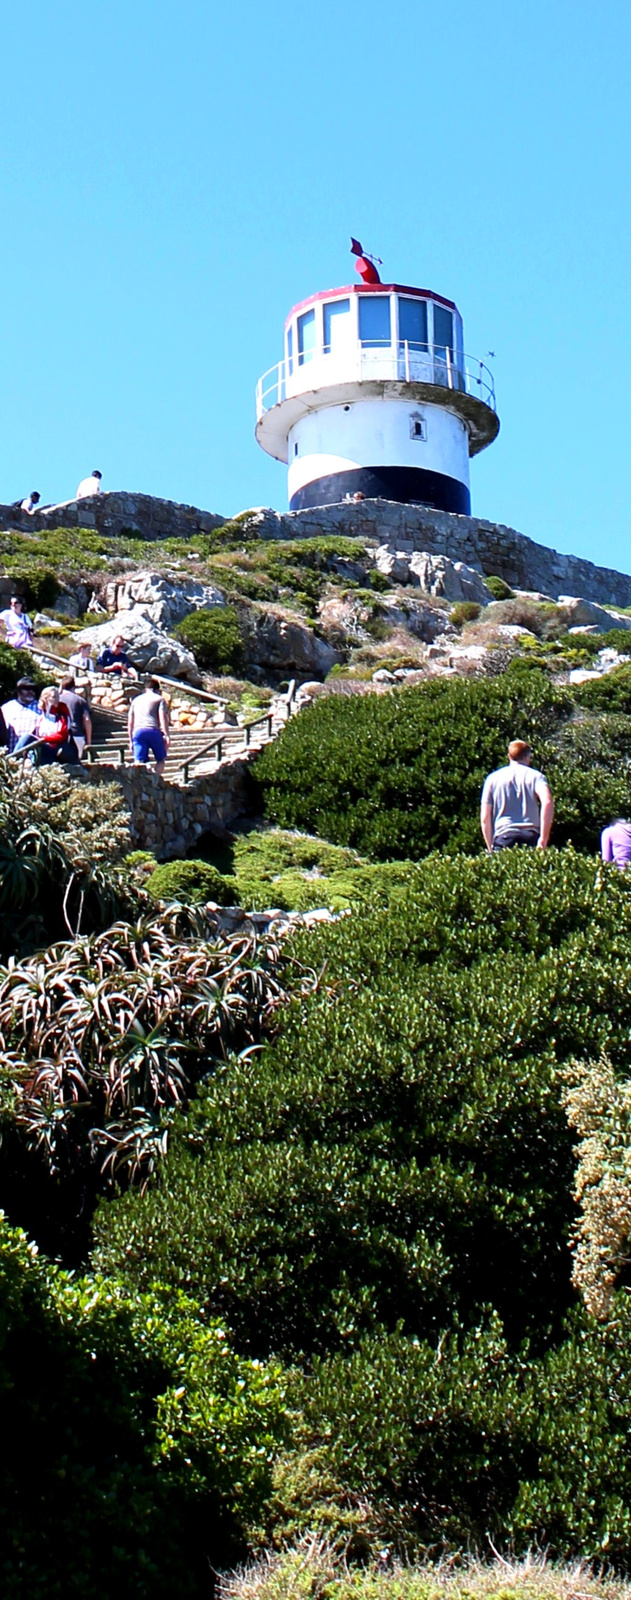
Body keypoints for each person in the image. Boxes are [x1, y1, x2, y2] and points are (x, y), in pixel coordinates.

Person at [480, 739, 554, 854]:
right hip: (530, 837)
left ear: (509, 756)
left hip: (504, 837)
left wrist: (490, 848)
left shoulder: (492, 779)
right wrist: (543, 840)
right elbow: (547, 802)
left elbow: (485, 817)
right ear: (528, 756)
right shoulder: (536, 777)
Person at [128, 676, 170, 775]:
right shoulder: (159, 699)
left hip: (138, 731)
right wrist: (167, 734)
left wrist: (130, 739)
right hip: (153, 730)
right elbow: (162, 717)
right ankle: (156, 778)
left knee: (139, 761)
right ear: (157, 690)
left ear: (145, 689)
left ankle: (143, 778)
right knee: (161, 759)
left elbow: (130, 721)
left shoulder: (136, 700)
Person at [34, 686, 78, 765]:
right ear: (45, 699)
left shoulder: (62, 714)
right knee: (27, 737)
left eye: (58, 696)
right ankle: (13, 760)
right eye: (54, 697)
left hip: (56, 750)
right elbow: (35, 733)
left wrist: (45, 739)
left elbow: (62, 735)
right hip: (41, 748)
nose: (57, 699)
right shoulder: (40, 715)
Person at [2, 677, 40, 752]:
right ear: (19, 691)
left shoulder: (41, 708)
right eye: (27, 689)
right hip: (9, 754)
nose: (30, 692)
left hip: (32, 757)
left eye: (33, 689)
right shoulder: (7, 708)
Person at [59, 674, 92, 760]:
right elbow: (87, 720)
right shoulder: (80, 700)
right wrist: (88, 741)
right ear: (74, 686)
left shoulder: (57, 700)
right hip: (77, 734)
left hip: (60, 736)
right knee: (77, 762)